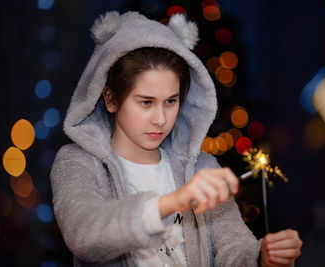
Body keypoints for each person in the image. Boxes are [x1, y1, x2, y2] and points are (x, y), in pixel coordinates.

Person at [50, 11, 302, 267]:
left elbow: (234, 248)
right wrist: (173, 202)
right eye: (146, 102)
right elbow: (84, 233)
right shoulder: (77, 162)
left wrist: (262, 258)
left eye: (171, 101)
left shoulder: (201, 167)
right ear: (111, 98)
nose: (160, 118)